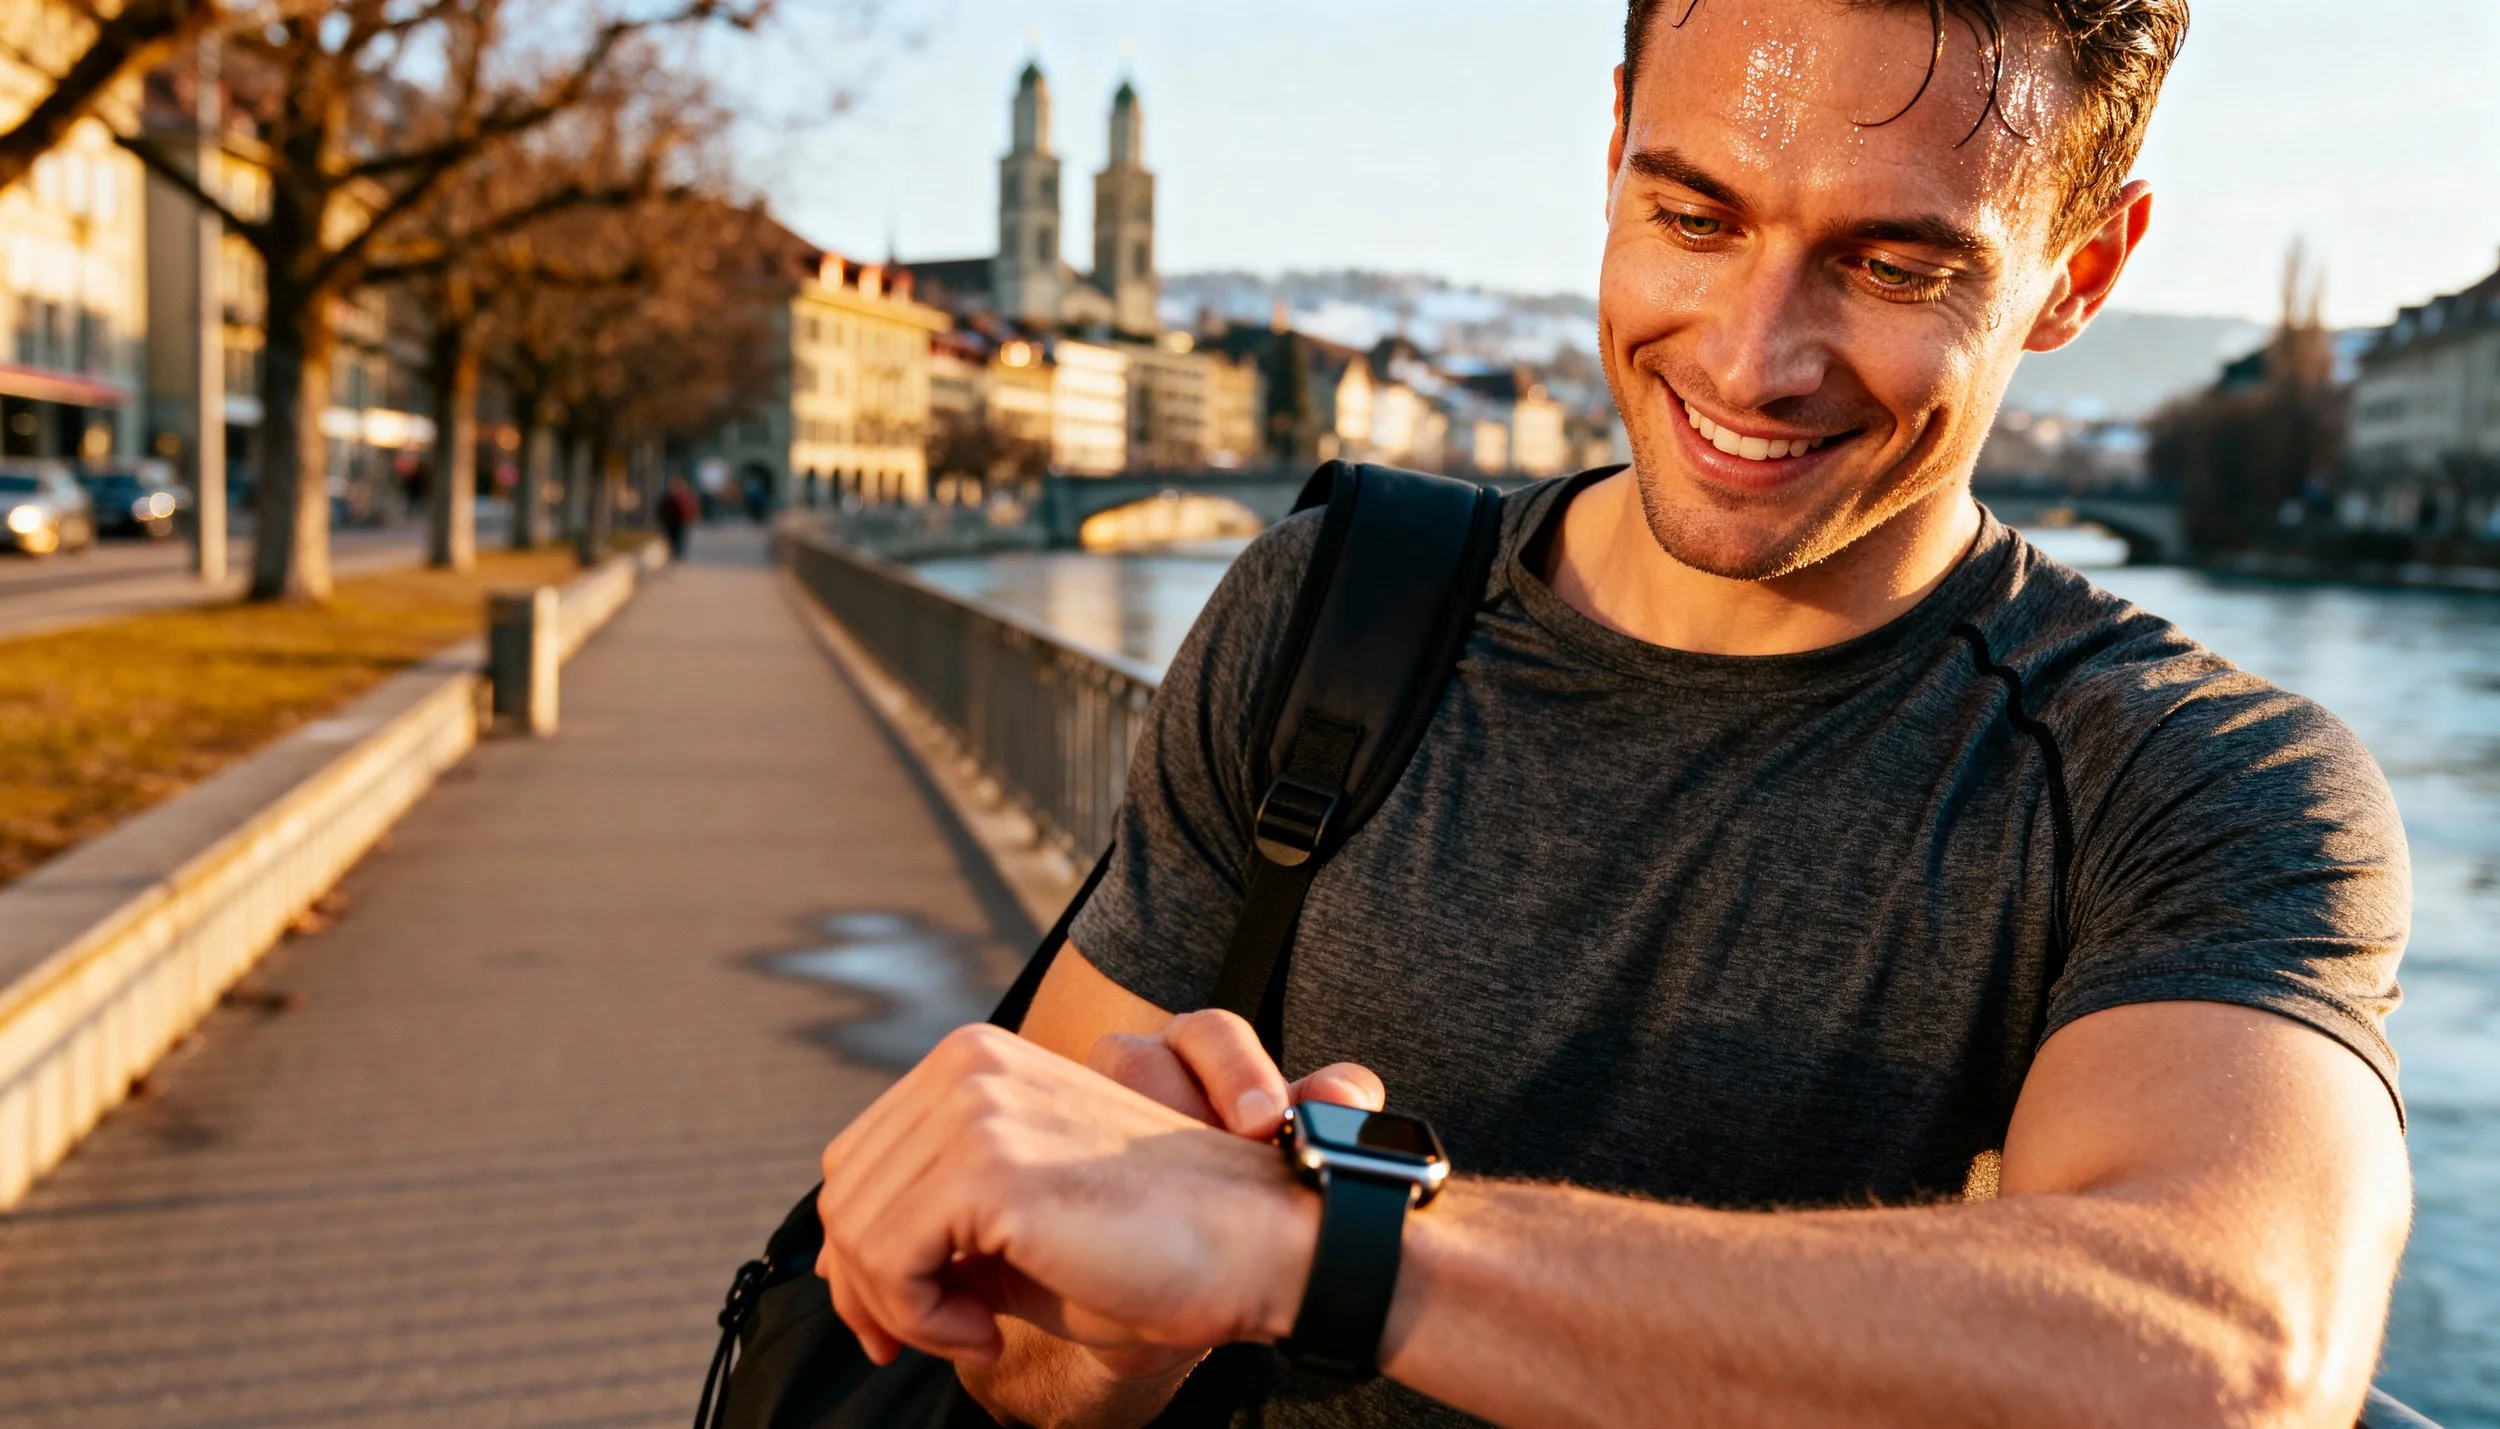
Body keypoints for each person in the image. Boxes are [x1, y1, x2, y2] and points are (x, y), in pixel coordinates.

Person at [813, 3, 2415, 1426]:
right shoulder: (1332, 611)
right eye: (1693, 214)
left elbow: (2228, 1357)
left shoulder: (2195, 782)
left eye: (1892, 263)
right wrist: (1102, 1296)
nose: (1749, 356)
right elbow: (1030, 1379)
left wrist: (1314, 1242)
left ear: (2082, 272)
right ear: (1612, 156)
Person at [658, 475, 697, 561]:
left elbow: (691, 507)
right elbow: (662, 509)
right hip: (671, 521)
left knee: (680, 537)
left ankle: (678, 552)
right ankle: (674, 552)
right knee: (672, 537)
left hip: (682, 521)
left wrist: (692, 517)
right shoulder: (669, 497)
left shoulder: (685, 496)